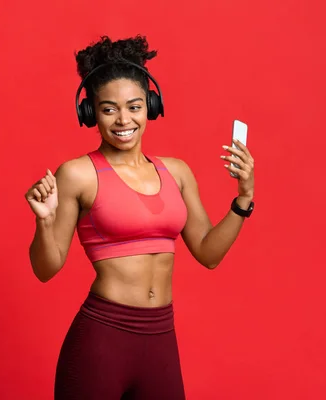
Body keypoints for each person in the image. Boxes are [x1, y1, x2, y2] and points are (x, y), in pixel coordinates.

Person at [24, 35, 255, 400]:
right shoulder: (78, 174)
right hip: (102, 340)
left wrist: (244, 198)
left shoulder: (176, 172)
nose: (123, 120)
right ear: (90, 113)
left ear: (151, 105)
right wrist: (44, 222)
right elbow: (46, 269)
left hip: (161, 339)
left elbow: (209, 254)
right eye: (109, 109)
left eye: (134, 106)